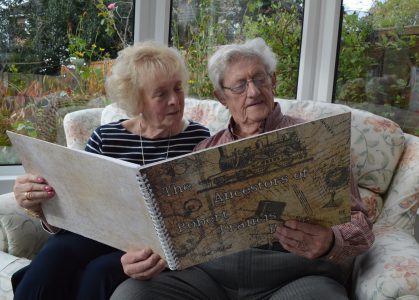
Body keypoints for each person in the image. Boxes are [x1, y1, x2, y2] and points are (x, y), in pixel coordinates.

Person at [110, 38, 375, 299]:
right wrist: (143, 257)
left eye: (260, 79)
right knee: (132, 294)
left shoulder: (318, 138)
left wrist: (330, 240)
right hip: (210, 278)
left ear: (273, 81)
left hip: (294, 275)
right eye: (239, 86)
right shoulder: (203, 152)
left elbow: (361, 226)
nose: (253, 92)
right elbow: (178, 232)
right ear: (221, 97)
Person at [11, 41, 211, 300]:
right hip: (101, 233)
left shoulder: (199, 138)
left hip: (157, 242)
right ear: (138, 101)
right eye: (161, 94)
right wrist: (39, 205)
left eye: (178, 88)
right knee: (52, 258)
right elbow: (80, 208)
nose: (174, 101)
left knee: (99, 272)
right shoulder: (106, 137)